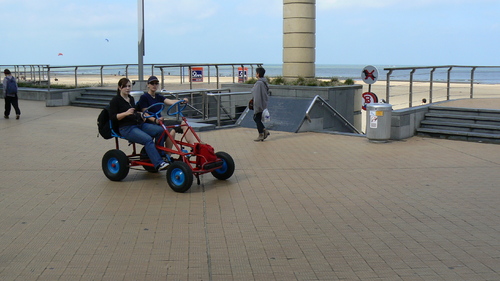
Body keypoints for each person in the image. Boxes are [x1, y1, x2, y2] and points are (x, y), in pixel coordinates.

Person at [108, 78, 168, 170]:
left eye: (129, 86)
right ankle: (159, 163)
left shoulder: (131, 98)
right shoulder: (115, 100)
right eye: (125, 86)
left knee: (161, 130)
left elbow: (135, 110)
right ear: (119, 88)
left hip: (138, 124)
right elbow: (113, 117)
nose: (127, 88)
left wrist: (139, 113)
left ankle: (159, 155)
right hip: (126, 128)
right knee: (148, 140)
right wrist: (126, 113)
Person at [136, 75, 197, 146]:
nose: (154, 85)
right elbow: (145, 113)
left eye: (156, 83)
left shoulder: (158, 96)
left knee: (184, 124)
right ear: (148, 85)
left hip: (161, 121)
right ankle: (167, 155)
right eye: (152, 83)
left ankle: (193, 146)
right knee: (172, 131)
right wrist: (156, 120)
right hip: (151, 123)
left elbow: (170, 101)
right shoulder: (144, 97)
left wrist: (181, 101)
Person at [251, 67, 270, 141]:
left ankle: (261, 134)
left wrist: (257, 106)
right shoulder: (264, 82)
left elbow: (257, 95)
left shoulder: (259, 83)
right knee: (256, 118)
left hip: (259, 104)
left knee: (256, 118)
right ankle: (264, 131)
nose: (255, 74)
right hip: (263, 103)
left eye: (256, 73)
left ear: (258, 74)